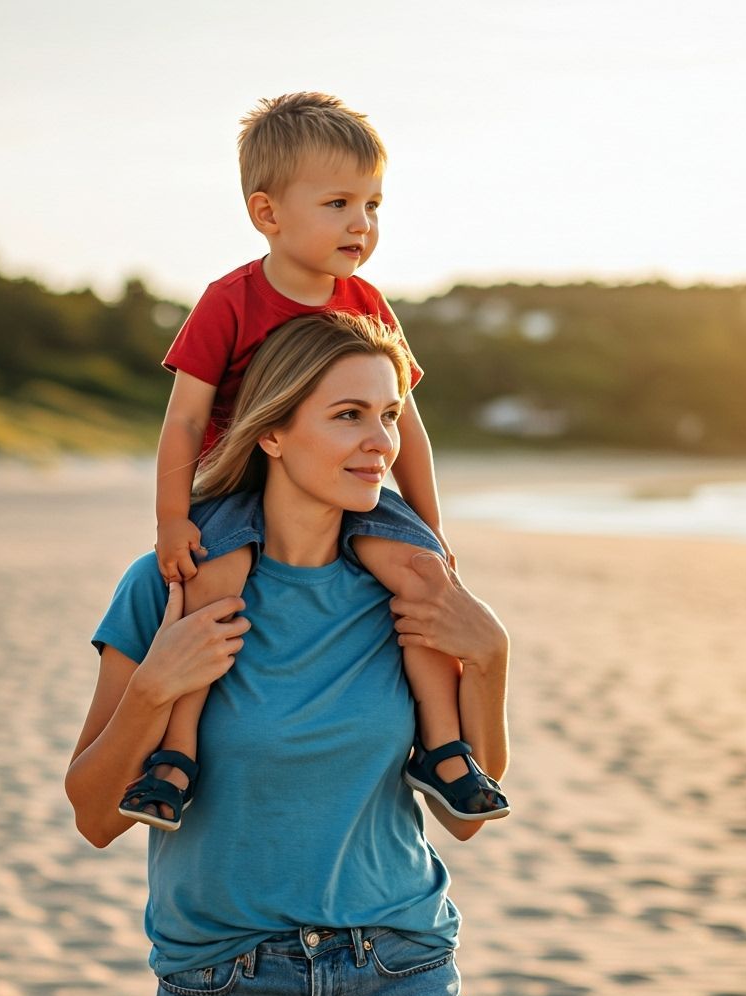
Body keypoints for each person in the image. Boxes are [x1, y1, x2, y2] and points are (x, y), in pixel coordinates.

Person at [66, 311, 510, 996]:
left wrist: (491, 659)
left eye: (387, 417)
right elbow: (95, 812)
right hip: (224, 991)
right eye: (347, 413)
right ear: (270, 430)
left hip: (395, 976)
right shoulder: (168, 585)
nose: (377, 442)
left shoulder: (409, 589)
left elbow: (469, 811)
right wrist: (156, 684)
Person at [119, 90, 509, 831]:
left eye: (373, 204)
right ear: (268, 214)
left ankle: (444, 746)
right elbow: (186, 421)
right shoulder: (228, 301)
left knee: (421, 584)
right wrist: (173, 521)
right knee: (217, 581)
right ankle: (175, 757)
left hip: (353, 490)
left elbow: (410, 432)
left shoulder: (366, 303)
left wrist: (429, 533)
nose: (361, 224)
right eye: (338, 203)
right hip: (241, 485)